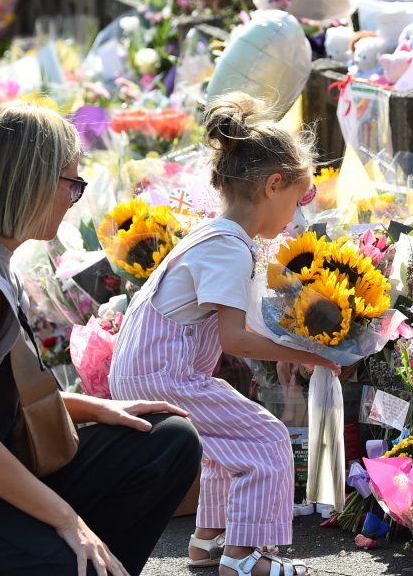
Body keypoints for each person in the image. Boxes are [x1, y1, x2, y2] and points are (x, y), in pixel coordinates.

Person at [0, 101, 202, 576]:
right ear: (30, 181)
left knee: (168, 439)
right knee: (75, 559)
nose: (74, 198)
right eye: (71, 183)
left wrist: (99, 408)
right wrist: (69, 521)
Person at [109, 92, 340, 576]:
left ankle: (209, 539)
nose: (296, 217)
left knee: (226, 443)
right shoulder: (229, 247)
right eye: (298, 201)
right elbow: (234, 339)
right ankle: (245, 555)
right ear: (273, 185)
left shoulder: (215, 235)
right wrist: (313, 355)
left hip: (149, 370)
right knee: (267, 438)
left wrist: (289, 345)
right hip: (165, 375)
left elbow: (234, 322)